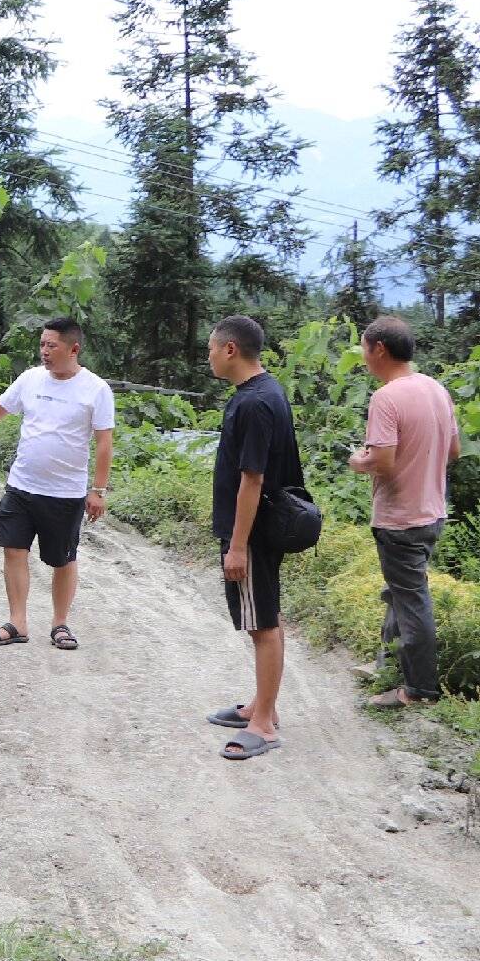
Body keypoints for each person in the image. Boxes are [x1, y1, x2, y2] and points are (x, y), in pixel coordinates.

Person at [0, 316, 115, 651]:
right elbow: (0, 407)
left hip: (65, 493)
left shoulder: (96, 390)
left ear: (73, 348)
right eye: (42, 344)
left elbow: (104, 442)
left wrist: (98, 490)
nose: (44, 351)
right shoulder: (31, 379)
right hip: (21, 485)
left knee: (63, 559)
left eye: (52, 345)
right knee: (13, 549)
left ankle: (60, 623)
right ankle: (17, 622)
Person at [205, 314, 305, 761]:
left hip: (254, 532)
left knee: (262, 623)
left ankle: (263, 725)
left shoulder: (253, 403)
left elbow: (252, 479)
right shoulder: (264, 392)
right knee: (266, 615)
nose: (208, 356)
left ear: (230, 349)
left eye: (211, 348)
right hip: (261, 528)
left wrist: (238, 544)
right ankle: (261, 707)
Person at [347, 314, 459, 710]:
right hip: (432, 513)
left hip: (400, 519)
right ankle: (387, 664)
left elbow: (385, 463)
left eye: (364, 348)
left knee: (412, 602)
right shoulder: (436, 389)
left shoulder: (386, 397)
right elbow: (454, 452)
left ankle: (419, 691)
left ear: (379, 349)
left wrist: (359, 461)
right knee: (400, 592)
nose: (363, 357)